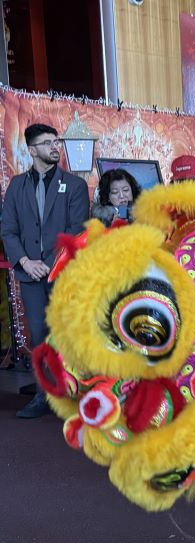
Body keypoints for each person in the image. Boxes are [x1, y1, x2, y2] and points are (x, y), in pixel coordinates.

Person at [1, 123, 89, 418]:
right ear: (32, 149)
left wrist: (49, 265)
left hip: (63, 274)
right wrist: (26, 262)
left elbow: (76, 231)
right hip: (30, 275)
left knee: (67, 333)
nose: (55, 147)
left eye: (56, 142)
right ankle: (43, 395)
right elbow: (8, 230)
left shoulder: (74, 186)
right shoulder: (16, 186)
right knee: (39, 335)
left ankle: (74, 394)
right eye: (48, 142)